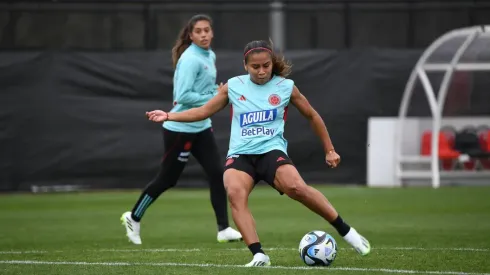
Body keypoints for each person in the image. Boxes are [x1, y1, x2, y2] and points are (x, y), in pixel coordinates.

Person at [145, 40, 371, 266]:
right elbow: (203, 111)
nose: (262, 71)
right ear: (245, 66)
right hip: (241, 155)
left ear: (272, 63)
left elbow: (312, 116)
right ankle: (259, 254)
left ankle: (348, 232)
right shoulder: (233, 86)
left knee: (296, 188)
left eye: (266, 65)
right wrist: (169, 115)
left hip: (271, 151)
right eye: (256, 67)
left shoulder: (285, 86)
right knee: (234, 192)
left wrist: (329, 150)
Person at [121, 14, 242, 245]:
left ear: (212, 32)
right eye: (199, 31)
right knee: (167, 179)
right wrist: (214, 96)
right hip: (180, 128)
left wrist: (213, 93)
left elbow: (202, 90)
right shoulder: (190, 59)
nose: (204, 34)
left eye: (207, 30)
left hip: (202, 126)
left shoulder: (210, 55)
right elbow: (183, 96)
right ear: (190, 35)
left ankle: (223, 228)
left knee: (218, 174)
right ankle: (133, 217)